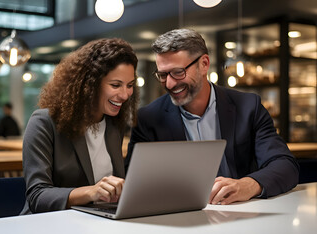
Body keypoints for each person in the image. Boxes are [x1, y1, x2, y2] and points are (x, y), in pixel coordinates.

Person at [125, 29, 299, 205]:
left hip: (241, 214)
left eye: (178, 72)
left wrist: (248, 185)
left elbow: (285, 165)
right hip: (179, 221)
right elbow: (133, 185)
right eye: (162, 75)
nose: (169, 83)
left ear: (204, 64)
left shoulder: (248, 107)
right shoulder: (148, 119)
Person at [20, 38, 138, 214]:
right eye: (115, 85)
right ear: (89, 83)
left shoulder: (114, 125)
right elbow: (38, 196)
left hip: (99, 222)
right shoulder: (44, 122)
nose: (125, 95)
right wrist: (91, 192)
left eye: (130, 85)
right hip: (50, 225)